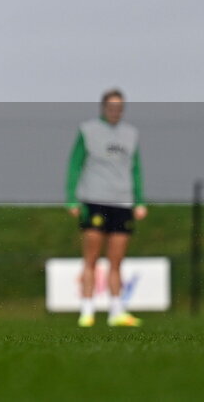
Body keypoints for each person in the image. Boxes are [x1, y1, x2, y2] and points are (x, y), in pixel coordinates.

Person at [65, 88, 147, 327]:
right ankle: (87, 311)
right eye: (111, 107)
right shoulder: (87, 131)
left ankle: (116, 311)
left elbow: (136, 169)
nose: (115, 112)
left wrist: (139, 200)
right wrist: (72, 198)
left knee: (116, 260)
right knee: (90, 258)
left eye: (119, 108)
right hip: (94, 201)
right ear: (103, 108)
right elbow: (75, 164)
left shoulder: (131, 134)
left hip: (122, 202)